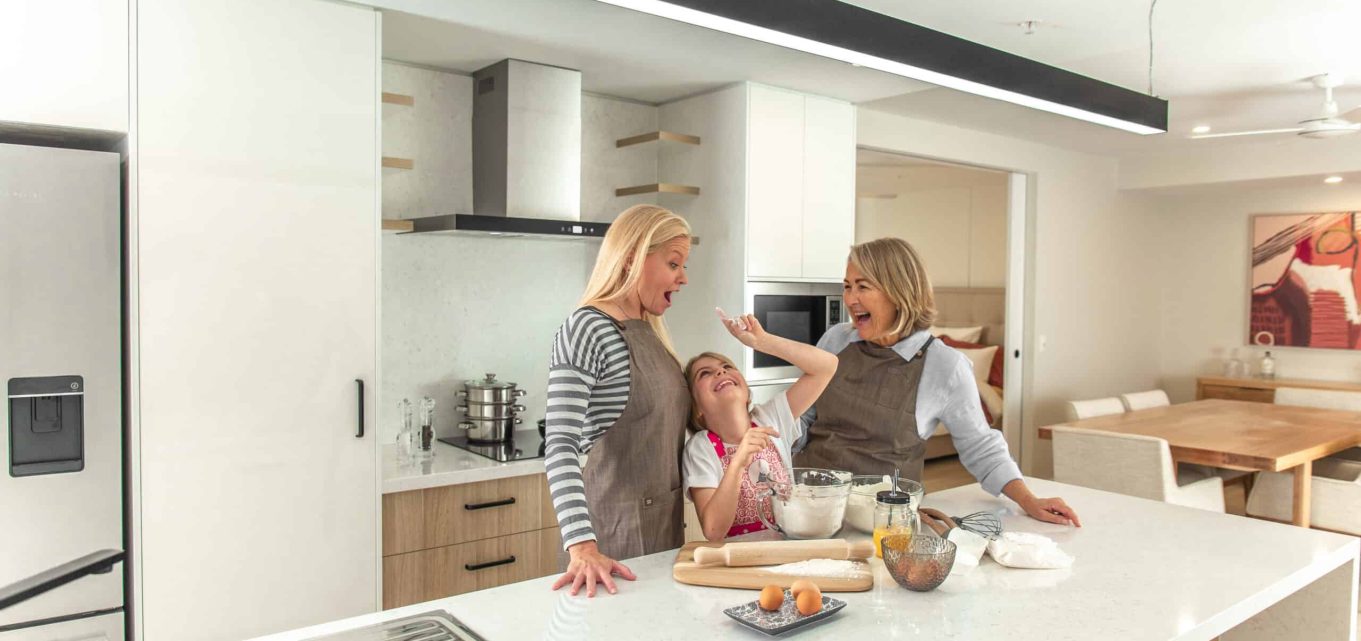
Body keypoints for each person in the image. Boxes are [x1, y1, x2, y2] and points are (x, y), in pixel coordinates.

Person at [795, 237, 1082, 527]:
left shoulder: (945, 366)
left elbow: (981, 446)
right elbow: (804, 417)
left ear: (899, 292)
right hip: (809, 506)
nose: (850, 298)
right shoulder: (835, 340)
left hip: (882, 521)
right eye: (847, 286)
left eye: (863, 286)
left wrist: (1028, 500)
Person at [545, 205, 692, 598]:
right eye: (673, 263)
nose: (683, 278)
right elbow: (559, 447)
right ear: (632, 258)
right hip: (609, 548)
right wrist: (582, 547)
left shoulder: (650, 332)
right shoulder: (586, 328)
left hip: (665, 537)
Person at [681, 311, 838, 541]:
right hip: (739, 565)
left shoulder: (771, 418)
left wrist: (761, 341)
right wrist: (738, 462)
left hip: (789, 553)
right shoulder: (700, 448)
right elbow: (714, 531)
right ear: (697, 408)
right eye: (705, 373)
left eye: (726, 366)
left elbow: (827, 366)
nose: (720, 371)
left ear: (747, 392)